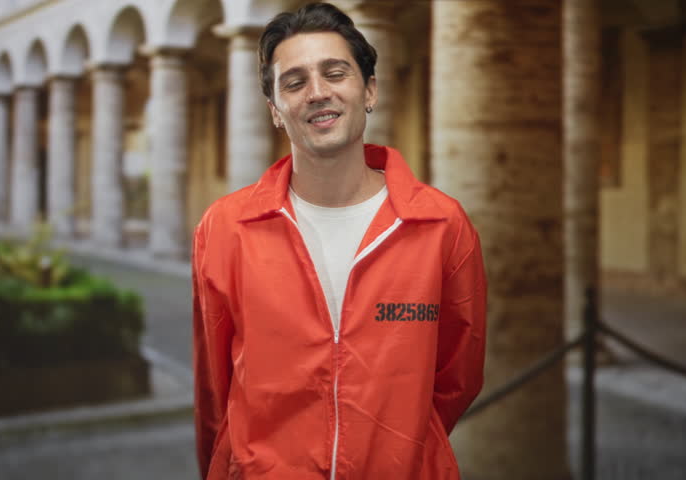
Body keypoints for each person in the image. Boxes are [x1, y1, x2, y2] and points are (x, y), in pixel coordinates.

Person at [192, 3, 486, 479]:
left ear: (369, 90)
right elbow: (214, 388)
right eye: (294, 82)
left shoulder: (440, 225)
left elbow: (458, 379)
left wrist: (397, 445)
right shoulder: (225, 228)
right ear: (274, 110)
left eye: (335, 73)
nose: (317, 93)